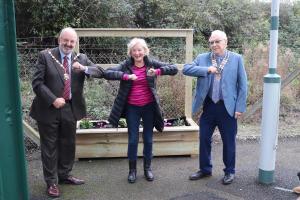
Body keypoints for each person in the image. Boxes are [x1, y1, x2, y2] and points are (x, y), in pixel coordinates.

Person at [30, 27, 104, 197]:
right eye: (66, 40)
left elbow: (100, 72)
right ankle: (51, 183)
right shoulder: (46, 56)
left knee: (68, 144)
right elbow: (37, 83)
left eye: (72, 41)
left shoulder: (81, 58)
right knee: (49, 146)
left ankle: (64, 175)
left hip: (71, 108)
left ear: (75, 43)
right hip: (48, 109)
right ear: (59, 40)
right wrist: (53, 99)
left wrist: (85, 69)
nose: (68, 44)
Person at [104, 38, 178, 183]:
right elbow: (108, 73)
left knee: (148, 140)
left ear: (145, 51)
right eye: (134, 50)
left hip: (149, 107)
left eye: (140, 50)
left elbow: (174, 68)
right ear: (130, 53)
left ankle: (147, 169)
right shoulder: (126, 65)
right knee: (132, 140)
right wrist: (126, 76)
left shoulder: (151, 64)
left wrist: (157, 71)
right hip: (132, 108)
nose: (137, 53)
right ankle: (132, 171)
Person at [182, 30, 247, 185]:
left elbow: (243, 85)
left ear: (226, 42)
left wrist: (240, 107)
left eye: (217, 41)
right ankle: (205, 169)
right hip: (209, 106)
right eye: (211, 42)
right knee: (204, 138)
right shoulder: (202, 58)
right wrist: (206, 70)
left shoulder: (236, 59)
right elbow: (186, 69)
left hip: (228, 107)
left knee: (229, 141)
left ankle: (229, 171)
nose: (214, 45)